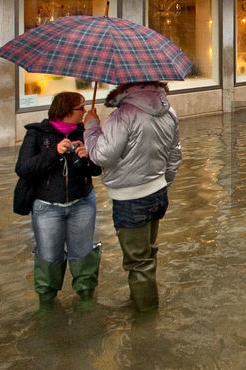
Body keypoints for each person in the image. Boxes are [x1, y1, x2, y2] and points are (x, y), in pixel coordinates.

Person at [83, 81, 181, 313]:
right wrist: (162, 183)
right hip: (157, 194)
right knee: (148, 254)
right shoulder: (169, 110)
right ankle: (141, 300)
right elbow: (175, 155)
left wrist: (92, 127)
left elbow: (102, 156)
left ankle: (145, 318)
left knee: (138, 262)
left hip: (130, 198)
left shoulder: (123, 115)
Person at [16, 91, 102, 313]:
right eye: (80, 109)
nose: (84, 112)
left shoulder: (85, 133)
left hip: (82, 203)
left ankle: (85, 296)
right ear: (65, 111)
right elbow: (23, 168)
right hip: (47, 207)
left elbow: (97, 170)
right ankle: (47, 301)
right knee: (48, 256)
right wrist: (54, 152)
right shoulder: (37, 134)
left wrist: (86, 158)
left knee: (83, 252)